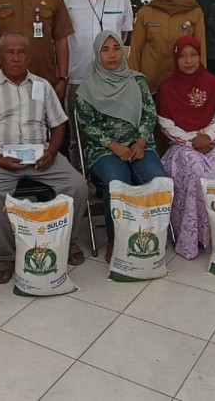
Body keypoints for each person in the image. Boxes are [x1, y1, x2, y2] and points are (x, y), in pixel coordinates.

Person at [0, 33, 90, 284]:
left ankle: (67, 241)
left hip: (41, 156)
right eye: (10, 53)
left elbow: (59, 125)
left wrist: (51, 153)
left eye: (21, 52)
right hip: (1, 158)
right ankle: (6, 254)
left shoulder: (42, 86)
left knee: (78, 185)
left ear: (29, 56)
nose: (16, 58)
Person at [75, 30, 165, 262]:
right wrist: (113, 145)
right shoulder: (86, 89)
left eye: (116, 48)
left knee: (156, 179)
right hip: (104, 149)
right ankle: (117, 241)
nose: (112, 55)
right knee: (117, 183)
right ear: (97, 54)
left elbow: (149, 114)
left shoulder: (137, 80)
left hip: (140, 145)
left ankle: (149, 236)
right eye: (105, 50)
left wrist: (142, 141)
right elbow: (87, 126)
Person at [157, 36, 215, 260]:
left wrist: (209, 136)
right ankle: (193, 236)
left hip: (214, 137)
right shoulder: (167, 88)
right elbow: (166, 124)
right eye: (182, 55)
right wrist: (192, 141)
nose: (188, 60)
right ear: (175, 58)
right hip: (183, 143)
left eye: (193, 54)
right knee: (196, 170)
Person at [63, 0, 134, 168]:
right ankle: (81, 181)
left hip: (112, 83)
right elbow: (61, 39)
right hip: (78, 77)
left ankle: (107, 178)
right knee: (77, 137)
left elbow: (124, 36)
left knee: (110, 134)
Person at [128, 0, 207, 93]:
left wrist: (200, 82)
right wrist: (134, 84)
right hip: (149, 87)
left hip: (183, 86)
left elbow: (201, 52)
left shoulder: (194, 12)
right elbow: (135, 52)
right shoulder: (146, 12)